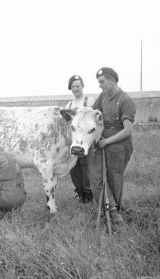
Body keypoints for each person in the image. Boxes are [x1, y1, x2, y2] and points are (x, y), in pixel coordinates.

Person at [88, 67, 136, 231]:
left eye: (102, 82)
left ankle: (115, 214)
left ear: (112, 80)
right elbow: (93, 112)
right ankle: (109, 209)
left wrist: (107, 141)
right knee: (97, 177)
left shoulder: (125, 100)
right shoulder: (103, 96)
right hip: (102, 142)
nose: (100, 86)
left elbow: (128, 130)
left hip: (119, 145)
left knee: (114, 179)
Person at [65, 75, 95, 203]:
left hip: (86, 139)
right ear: (70, 88)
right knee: (74, 166)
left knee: (87, 165)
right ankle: (79, 192)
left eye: (78, 86)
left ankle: (88, 193)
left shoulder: (90, 101)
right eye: (73, 86)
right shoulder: (69, 104)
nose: (75, 88)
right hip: (74, 139)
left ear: (82, 86)